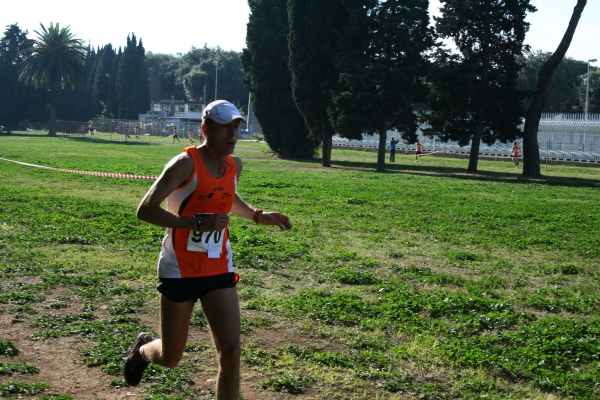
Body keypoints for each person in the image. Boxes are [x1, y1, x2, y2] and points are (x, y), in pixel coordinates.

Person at [123, 100, 292, 398]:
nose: (233, 133)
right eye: (225, 126)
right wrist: (196, 223)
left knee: (232, 353)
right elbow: (145, 209)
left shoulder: (234, 165)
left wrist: (256, 215)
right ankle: (144, 350)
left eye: (236, 126)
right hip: (180, 270)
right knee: (171, 357)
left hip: (218, 266)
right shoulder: (184, 164)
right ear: (206, 129)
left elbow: (229, 197)